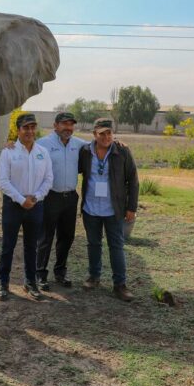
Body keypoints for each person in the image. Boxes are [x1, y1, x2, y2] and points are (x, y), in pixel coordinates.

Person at [78, 118, 139, 302]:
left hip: (114, 210)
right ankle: (94, 277)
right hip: (91, 208)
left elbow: (133, 181)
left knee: (116, 246)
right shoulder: (85, 152)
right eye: (102, 133)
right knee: (93, 244)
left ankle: (120, 285)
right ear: (94, 135)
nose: (106, 137)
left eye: (109, 133)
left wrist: (131, 207)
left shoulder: (122, 151)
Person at [0, 113, 53, 301]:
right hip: (13, 206)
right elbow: (3, 182)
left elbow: (48, 179)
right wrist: (21, 200)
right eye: (25, 127)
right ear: (18, 130)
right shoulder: (8, 152)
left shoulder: (42, 152)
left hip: (35, 206)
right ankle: (3, 283)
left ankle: (30, 283)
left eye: (32, 127)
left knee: (31, 247)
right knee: (8, 246)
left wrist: (35, 198)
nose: (29, 131)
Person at [35, 112, 87, 290]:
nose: (68, 128)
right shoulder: (43, 144)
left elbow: (98, 144)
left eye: (71, 124)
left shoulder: (78, 144)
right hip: (50, 197)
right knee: (45, 237)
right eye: (64, 124)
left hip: (70, 198)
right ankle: (40, 274)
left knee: (67, 237)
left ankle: (60, 272)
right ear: (55, 125)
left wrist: (118, 142)